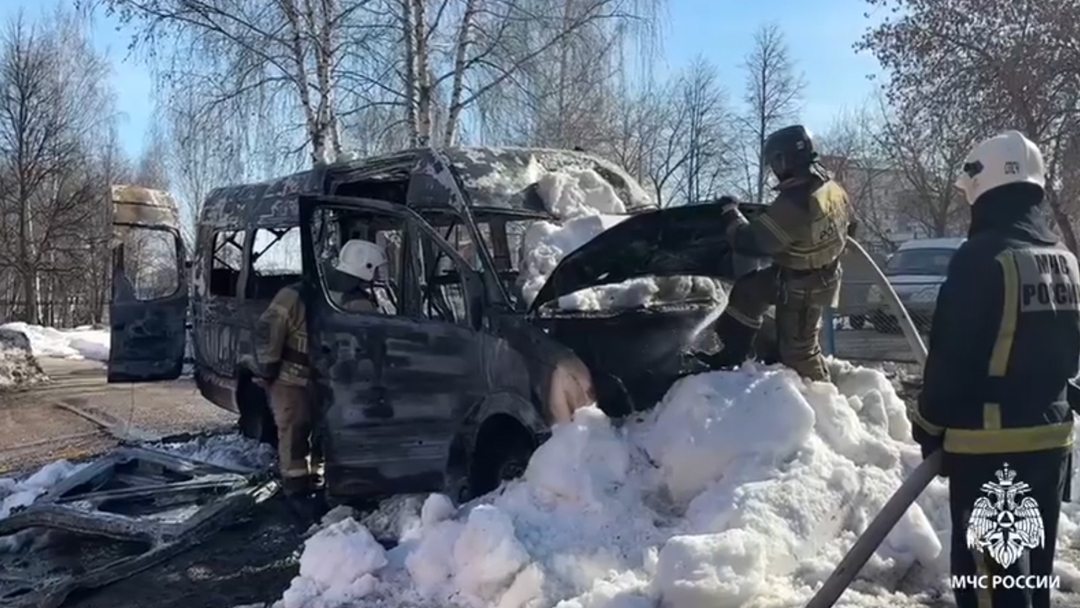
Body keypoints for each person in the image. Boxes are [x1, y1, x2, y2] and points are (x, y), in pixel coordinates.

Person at [909, 130, 1079, 608]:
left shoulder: (982, 258)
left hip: (989, 449)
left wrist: (928, 425)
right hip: (1051, 443)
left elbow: (952, 358)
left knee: (992, 583)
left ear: (983, 190)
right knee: (1029, 575)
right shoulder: (1064, 260)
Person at [696, 124, 851, 382]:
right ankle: (731, 357)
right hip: (810, 272)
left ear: (784, 159)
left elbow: (752, 242)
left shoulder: (795, 201)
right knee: (748, 294)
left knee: (800, 353)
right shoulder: (829, 187)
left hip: (803, 287)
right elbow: (850, 227)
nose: (774, 170)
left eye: (774, 163)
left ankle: (824, 403)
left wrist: (730, 214)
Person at [246, 239, 388, 515]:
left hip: (330, 384)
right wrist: (267, 369)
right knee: (295, 433)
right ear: (366, 268)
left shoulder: (358, 302)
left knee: (327, 436)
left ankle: (320, 485)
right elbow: (269, 331)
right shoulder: (297, 295)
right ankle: (297, 493)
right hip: (292, 380)